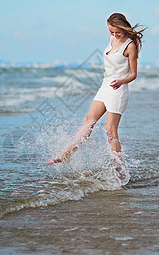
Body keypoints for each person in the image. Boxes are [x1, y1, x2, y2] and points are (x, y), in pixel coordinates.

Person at [47, 13, 145, 168]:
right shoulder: (111, 39)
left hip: (118, 90)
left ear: (124, 27)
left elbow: (133, 74)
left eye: (117, 32)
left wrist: (121, 81)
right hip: (105, 86)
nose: (114, 35)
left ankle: (119, 169)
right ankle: (67, 153)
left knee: (110, 132)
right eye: (111, 32)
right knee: (88, 121)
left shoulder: (130, 46)